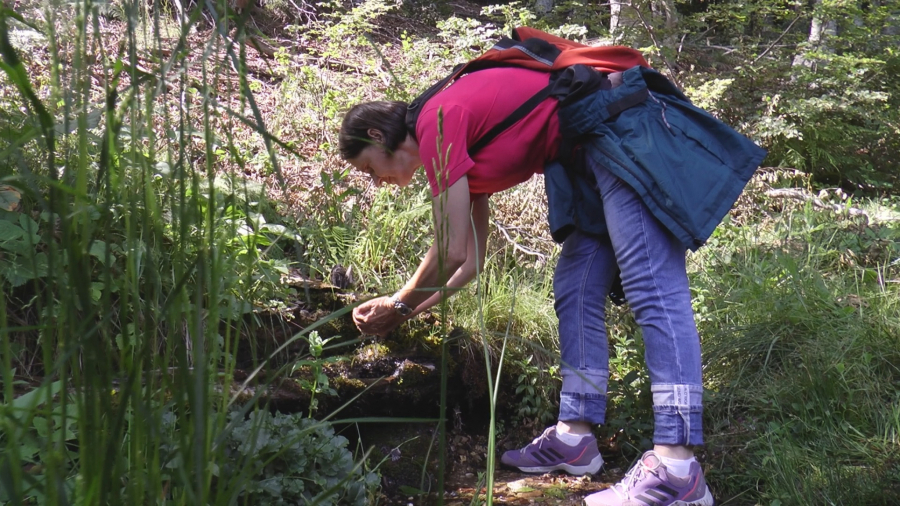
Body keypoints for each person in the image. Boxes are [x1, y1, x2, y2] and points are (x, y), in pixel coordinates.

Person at [339, 59, 763, 505]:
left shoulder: (439, 121)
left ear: (377, 136)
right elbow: (471, 261)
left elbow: (449, 251)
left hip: (621, 130)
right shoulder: (452, 147)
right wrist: (401, 309)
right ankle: (575, 437)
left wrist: (399, 305)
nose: (378, 183)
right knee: (575, 289)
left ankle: (678, 469)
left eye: (369, 170)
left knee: (653, 289)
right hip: (586, 158)